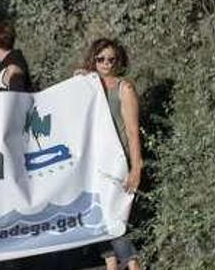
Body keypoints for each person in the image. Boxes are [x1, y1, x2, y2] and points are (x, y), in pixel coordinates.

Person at [76, 38, 143, 270]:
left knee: (114, 219)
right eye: (100, 59)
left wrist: (136, 168)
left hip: (118, 162)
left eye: (111, 59)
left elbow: (133, 132)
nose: (106, 63)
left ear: (119, 61)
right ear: (93, 59)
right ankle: (112, 265)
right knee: (99, 219)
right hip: (95, 164)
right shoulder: (87, 87)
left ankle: (133, 264)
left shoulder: (124, 88)